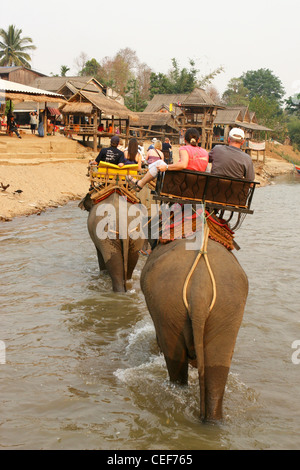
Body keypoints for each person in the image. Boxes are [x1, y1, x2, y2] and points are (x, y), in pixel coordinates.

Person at [126, 128, 209, 192]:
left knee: (159, 163)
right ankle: (140, 183)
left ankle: (140, 184)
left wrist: (166, 167)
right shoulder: (205, 152)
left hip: (182, 184)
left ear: (185, 140)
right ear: (198, 140)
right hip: (198, 187)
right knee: (160, 163)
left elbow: (183, 165)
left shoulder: (184, 149)